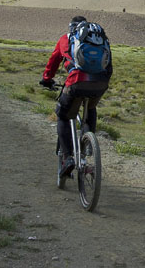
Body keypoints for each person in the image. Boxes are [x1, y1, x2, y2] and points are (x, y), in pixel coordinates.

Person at [40, 16, 112, 177]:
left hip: (76, 81)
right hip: (100, 83)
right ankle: (87, 144)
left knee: (63, 115)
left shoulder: (67, 39)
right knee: (91, 107)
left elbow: (54, 61)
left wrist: (46, 79)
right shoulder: (99, 39)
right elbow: (109, 64)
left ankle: (67, 158)